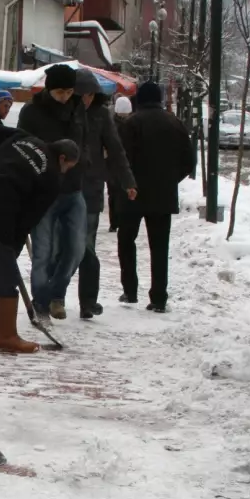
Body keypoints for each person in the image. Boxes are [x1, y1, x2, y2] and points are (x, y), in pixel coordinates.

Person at [0, 132, 81, 353]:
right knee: (5, 280)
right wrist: (12, 250)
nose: (65, 172)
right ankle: (6, 336)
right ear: (62, 159)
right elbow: (27, 220)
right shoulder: (51, 178)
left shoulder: (23, 138)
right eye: (68, 167)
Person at [116, 80, 196, 313]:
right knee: (159, 247)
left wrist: (127, 183)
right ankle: (158, 298)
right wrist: (171, 180)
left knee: (126, 242)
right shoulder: (175, 123)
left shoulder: (131, 123)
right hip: (163, 195)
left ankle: (130, 291)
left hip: (133, 194)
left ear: (139, 99)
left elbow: (121, 158)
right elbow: (189, 161)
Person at [17, 64, 87, 320]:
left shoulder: (78, 109)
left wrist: (83, 163)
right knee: (43, 251)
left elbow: (85, 140)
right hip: (44, 191)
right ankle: (41, 300)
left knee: (77, 248)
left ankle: (57, 293)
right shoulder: (32, 112)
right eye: (60, 92)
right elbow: (22, 146)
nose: (65, 97)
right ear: (49, 88)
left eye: (69, 91)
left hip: (73, 188)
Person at [71, 75, 137, 320]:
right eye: (81, 95)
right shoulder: (67, 113)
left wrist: (128, 181)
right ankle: (50, 295)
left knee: (87, 246)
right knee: (61, 247)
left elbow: (116, 150)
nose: (85, 100)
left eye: (89, 95)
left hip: (91, 187)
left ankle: (88, 300)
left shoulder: (101, 115)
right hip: (64, 187)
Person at [107, 95, 134, 234]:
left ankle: (114, 222)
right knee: (121, 193)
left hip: (112, 164)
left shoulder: (111, 125)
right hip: (122, 164)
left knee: (114, 194)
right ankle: (120, 220)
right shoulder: (131, 124)